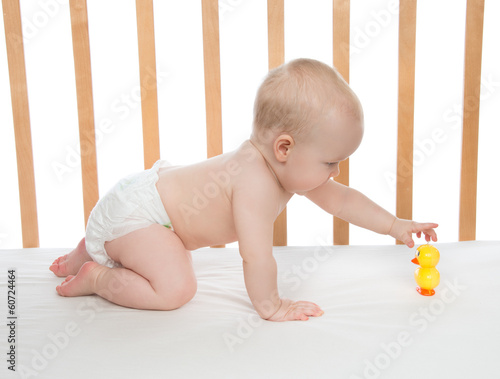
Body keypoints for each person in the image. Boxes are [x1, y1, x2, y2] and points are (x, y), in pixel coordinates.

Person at [50, 58, 438, 321]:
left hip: (141, 204)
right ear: (285, 148)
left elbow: (343, 201)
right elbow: (256, 257)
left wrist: (395, 225)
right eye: (330, 162)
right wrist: (271, 305)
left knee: (140, 245)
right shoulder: (253, 181)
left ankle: (82, 251)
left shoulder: (284, 168)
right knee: (175, 289)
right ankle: (96, 276)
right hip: (140, 217)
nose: (335, 172)